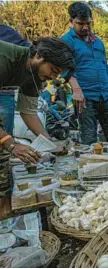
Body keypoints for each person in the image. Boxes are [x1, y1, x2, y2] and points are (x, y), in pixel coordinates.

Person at [0, 38, 75, 218]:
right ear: (39, 56)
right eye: (54, 71)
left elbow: (28, 112)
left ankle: (4, 211)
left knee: (3, 156)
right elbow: (9, 142)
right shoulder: (4, 58)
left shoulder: (34, 74)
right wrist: (10, 143)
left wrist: (50, 143)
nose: (53, 78)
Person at [61, 2, 108, 145]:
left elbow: (103, 66)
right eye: (80, 24)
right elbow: (65, 69)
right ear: (71, 21)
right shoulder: (66, 41)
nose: (85, 27)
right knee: (89, 141)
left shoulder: (98, 42)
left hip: (106, 95)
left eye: (88, 23)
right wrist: (76, 90)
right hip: (85, 98)